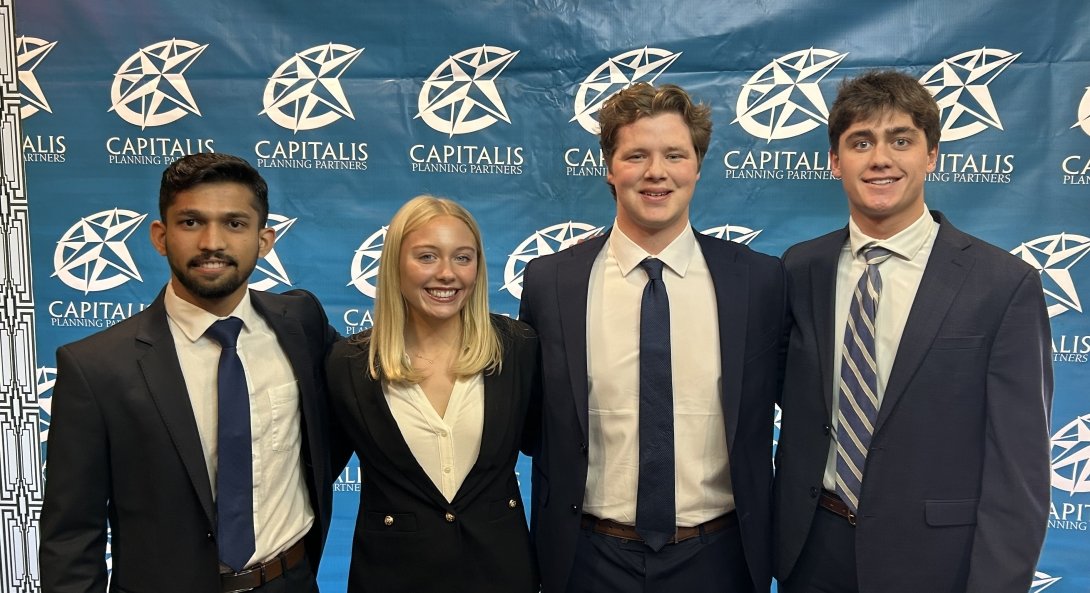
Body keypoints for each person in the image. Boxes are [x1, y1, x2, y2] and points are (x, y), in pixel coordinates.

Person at [773, 70, 1053, 593]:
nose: (881, 158)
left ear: (931, 154)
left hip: (935, 562)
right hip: (811, 554)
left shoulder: (1003, 284)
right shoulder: (799, 267)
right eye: (861, 142)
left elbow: (1021, 470)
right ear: (835, 161)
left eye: (901, 140)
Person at [520, 83, 786, 592]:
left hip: (720, 558)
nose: (656, 172)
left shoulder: (759, 281)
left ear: (697, 166)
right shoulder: (552, 282)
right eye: (636, 154)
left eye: (674, 155)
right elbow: (534, 425)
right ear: (609, 167)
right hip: (588, 558)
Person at [40, 153, 339, 593]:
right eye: (191, 222)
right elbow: (70, 536)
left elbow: (359, 397)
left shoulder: (301, 322)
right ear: (160, 236)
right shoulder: (95, 366)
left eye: (235, 224)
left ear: (265, 239)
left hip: (290, 580)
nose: (212, 242)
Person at [325, 195, 539, 593]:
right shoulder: (349, 363)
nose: (447, 274)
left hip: (501, 574)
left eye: (462, 257)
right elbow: (317, 472)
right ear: (394, 265)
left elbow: (547, 444)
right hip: (390, 577)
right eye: (426, 257)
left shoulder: (519, 348)